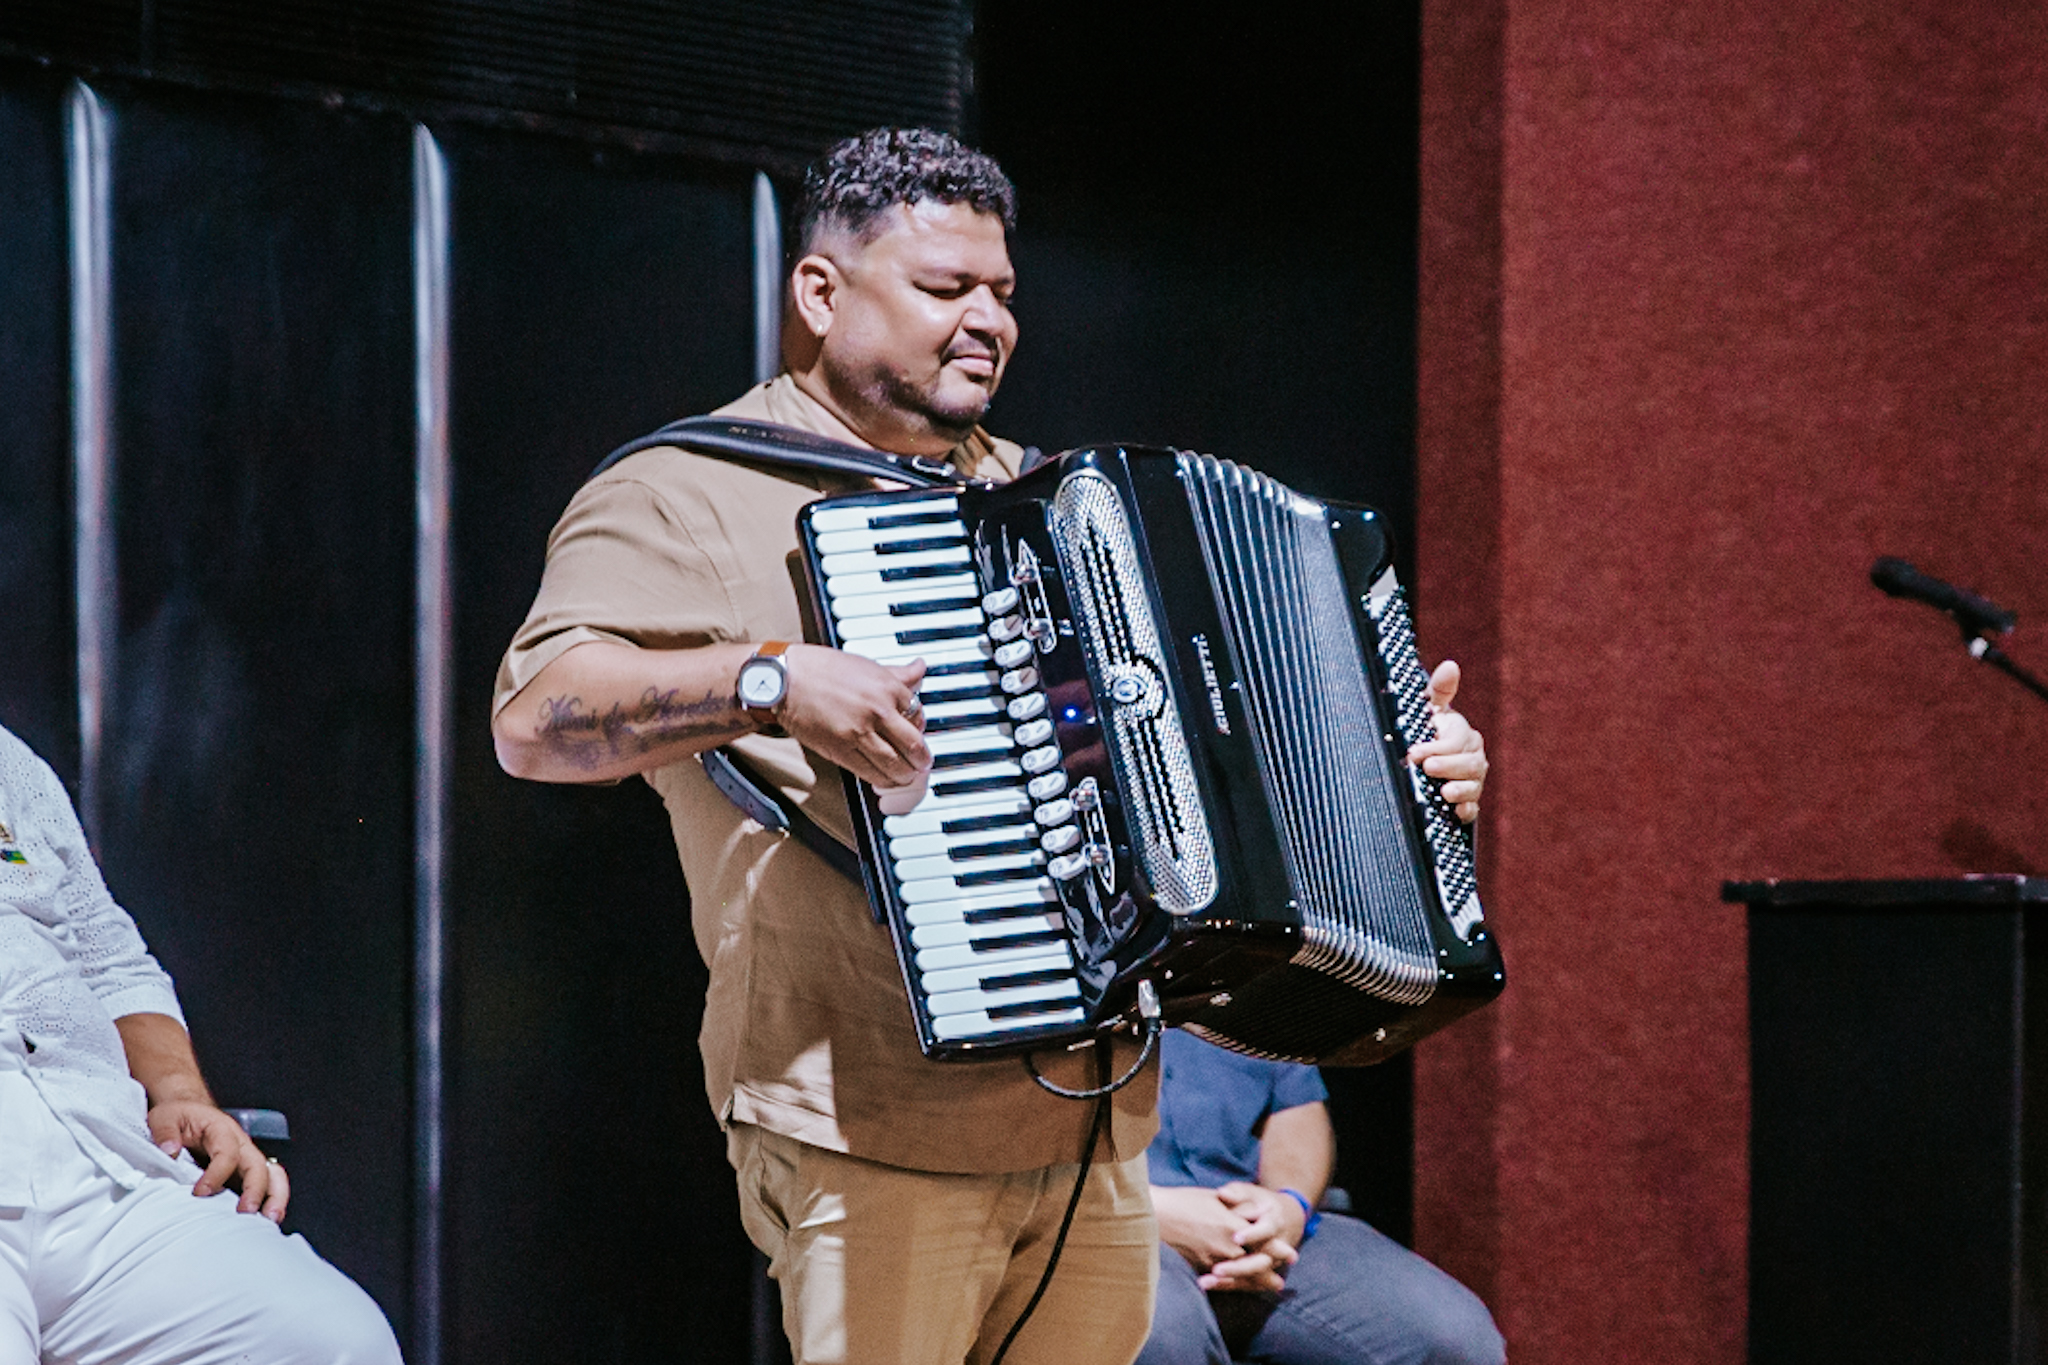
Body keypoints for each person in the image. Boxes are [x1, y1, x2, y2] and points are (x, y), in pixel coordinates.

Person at [491, 128, 1491, 1365]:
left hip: (1096, 1126)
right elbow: (534, 719)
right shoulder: (684, 490)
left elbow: (1210, 774)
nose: (988, 322)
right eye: (942, 289)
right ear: (819, 293)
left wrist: (1390, 784)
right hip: (868, 1117)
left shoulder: (1053, 507)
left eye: (1002, 294)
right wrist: (770, 679)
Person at [0, 722, 403, 1365]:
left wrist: (183, 1093)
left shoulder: (9, 761)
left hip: (97, 1162)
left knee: (334, 1342)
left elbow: (109, 957)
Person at [1139, 1032, 1504, 1365]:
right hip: (1116, 1227)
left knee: (1455, 1338)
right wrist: (1152, 1215)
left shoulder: (1246, 967)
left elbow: (1295, 1100)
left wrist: (1287, 1207)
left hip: (1257, 1233)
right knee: (1160, 1337)